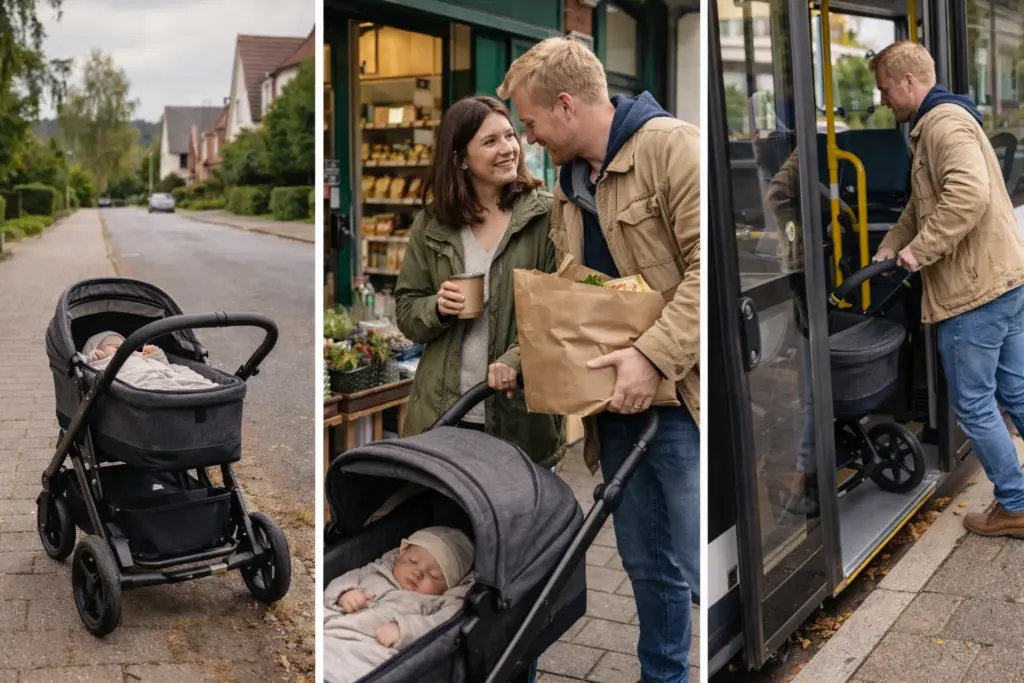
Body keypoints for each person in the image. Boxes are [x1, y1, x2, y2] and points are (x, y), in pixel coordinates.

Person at [498, 38, 699, 682]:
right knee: (646, 564)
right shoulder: (569, 186)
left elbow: (710, 274)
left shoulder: (673, 148)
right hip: (614, 407)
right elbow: (579, 289)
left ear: (566, 105)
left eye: (531, 122)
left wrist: (651, 356)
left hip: (682, 403)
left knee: (701, 564)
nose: (528, 139)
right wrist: (529, 358)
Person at [869, 41, 1024, 536]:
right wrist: (893, 244)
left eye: (885, 89)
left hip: (972, 290)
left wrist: (920, 251)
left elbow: (967, 194)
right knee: (1017, 391)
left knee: (975, 404)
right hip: (1000, 278)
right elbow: (922, 205)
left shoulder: (942, 125)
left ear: (909, 82)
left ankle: (1016, 505)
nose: (883, 99)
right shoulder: (940, 121)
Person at [394, 95, 566, 471]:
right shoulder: (432, 224)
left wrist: (514, 360)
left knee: (520, 510)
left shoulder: (547, 217)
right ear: (459, 159)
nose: (507, 149)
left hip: (521, 419)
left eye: (509, 136)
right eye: (490, 141)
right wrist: (437, 307)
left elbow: (563, 311)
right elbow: (407, 311)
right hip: (445, 415)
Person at [322, 527, 475, 683]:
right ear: (401, 556)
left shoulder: (437, 603)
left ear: (448, 587)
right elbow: (342, 581)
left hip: (371, 656)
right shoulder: (377, 571)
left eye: (433, 575)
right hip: (330, 635)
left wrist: (404, 629)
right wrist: (344, 593)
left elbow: (441, 627)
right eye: (412, 561)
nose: (417, 572)